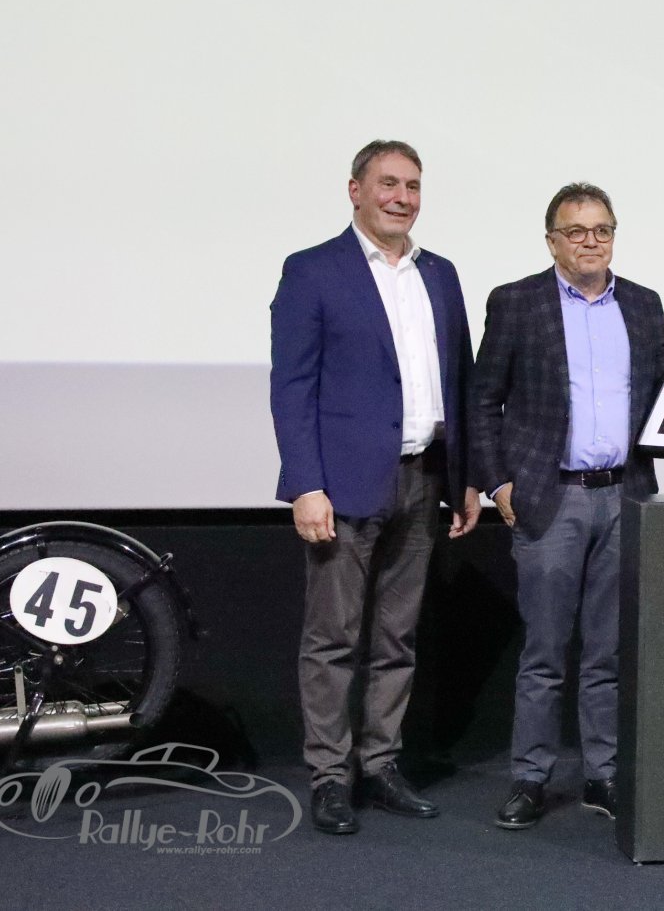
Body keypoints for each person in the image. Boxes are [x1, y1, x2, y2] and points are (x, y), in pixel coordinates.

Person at [470, 182, 664, 830]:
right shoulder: (516, 302)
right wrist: (498, 484)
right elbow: (483, 397)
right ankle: (530, 778)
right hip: (549, 499)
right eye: (577, 231)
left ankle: (603, 773)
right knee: (545, 653)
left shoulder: (642, 303)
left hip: (627, 497)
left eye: (602, 229)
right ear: (552, 240)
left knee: (607, 654)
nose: (591, 242)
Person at [270, 140, 480, 835]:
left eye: (413, 185)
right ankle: (330, 776)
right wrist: (306, 484)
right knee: (331, 640)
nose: (402, 197)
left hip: (425, 479)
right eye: (388, 183)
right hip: (345, 485)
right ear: (355, 189)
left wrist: (465, 478)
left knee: (398, 637)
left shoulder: (440, 274)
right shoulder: (312, 270)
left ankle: (381, 763)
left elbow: (460, 381)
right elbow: (291, 387)